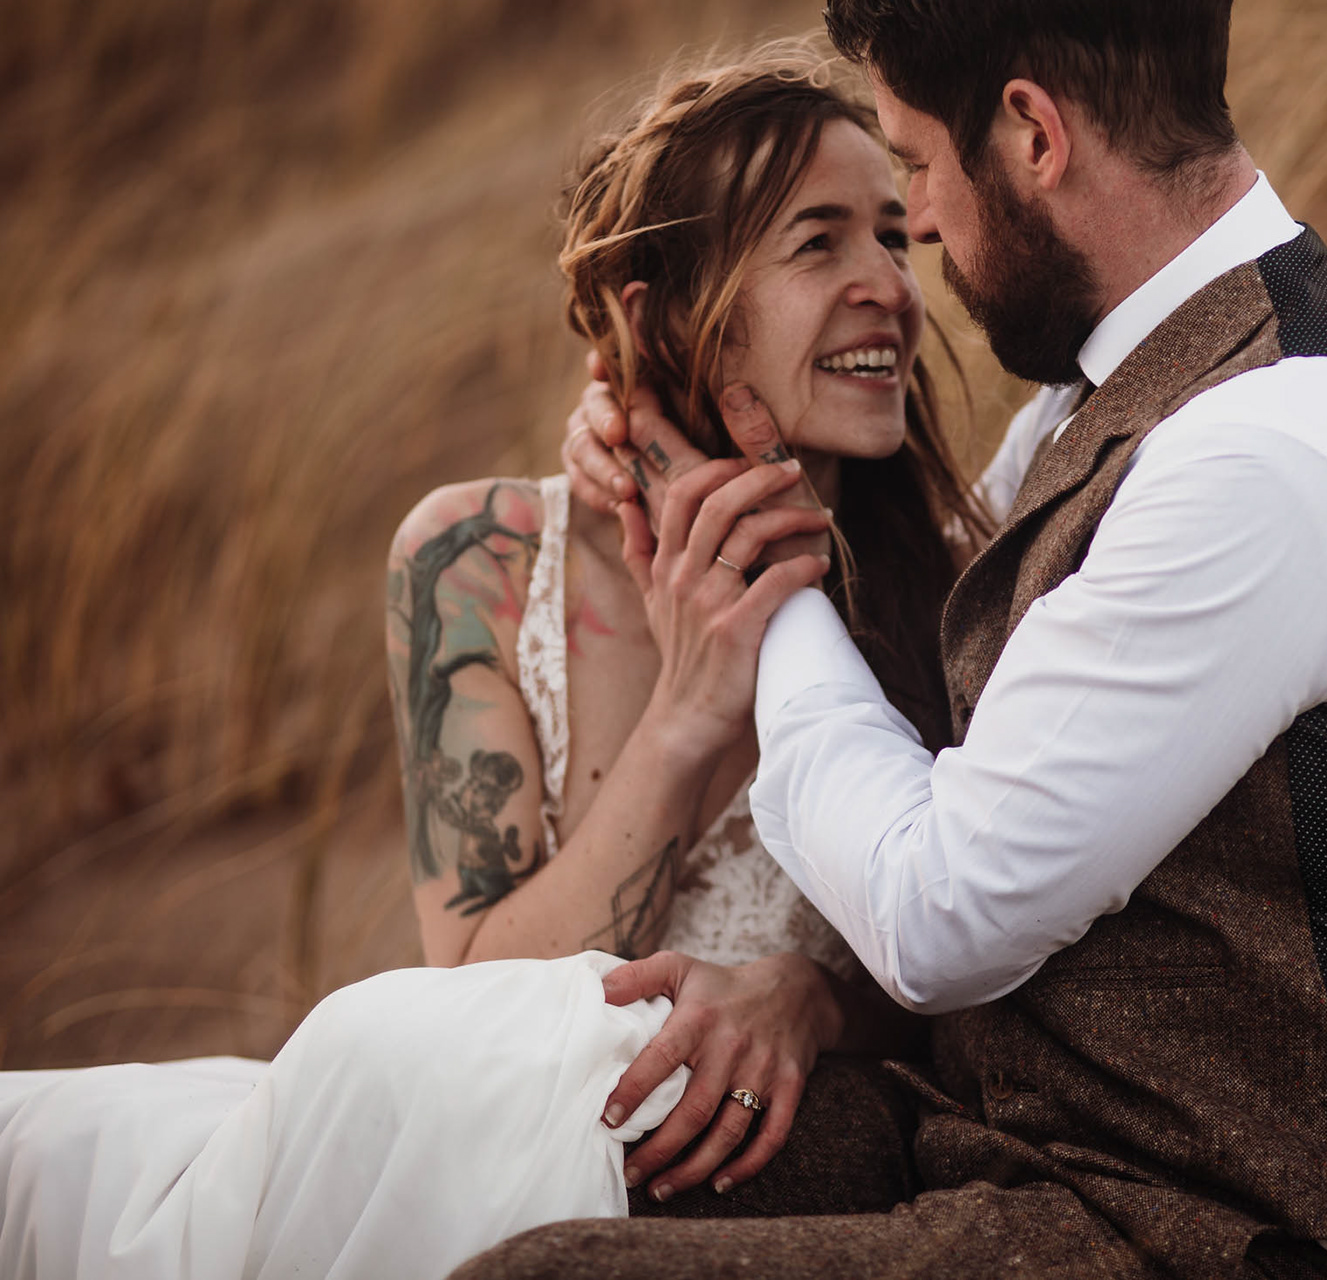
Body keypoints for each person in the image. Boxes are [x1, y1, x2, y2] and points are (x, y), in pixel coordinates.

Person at [496, 0, 1327, 1277]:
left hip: (1204, 1223)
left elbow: (936, 915)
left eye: (917, 166)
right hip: (1006, 1140)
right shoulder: (1133, 385)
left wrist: (768, 573)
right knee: (530, 1167)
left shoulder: (1264, 455)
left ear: (1033, 134)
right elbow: (954, 588)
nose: (918, 228)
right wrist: (657, 413)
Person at [0, 45, 989, 1280]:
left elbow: (989, 959)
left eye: (892, 235)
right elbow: (470, 1008)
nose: (887, 286)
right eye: (817, 243)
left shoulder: (958, 588)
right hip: (462, 1147)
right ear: (659, 310)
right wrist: (689, 713)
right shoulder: (479, 559)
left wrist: (811, 994)